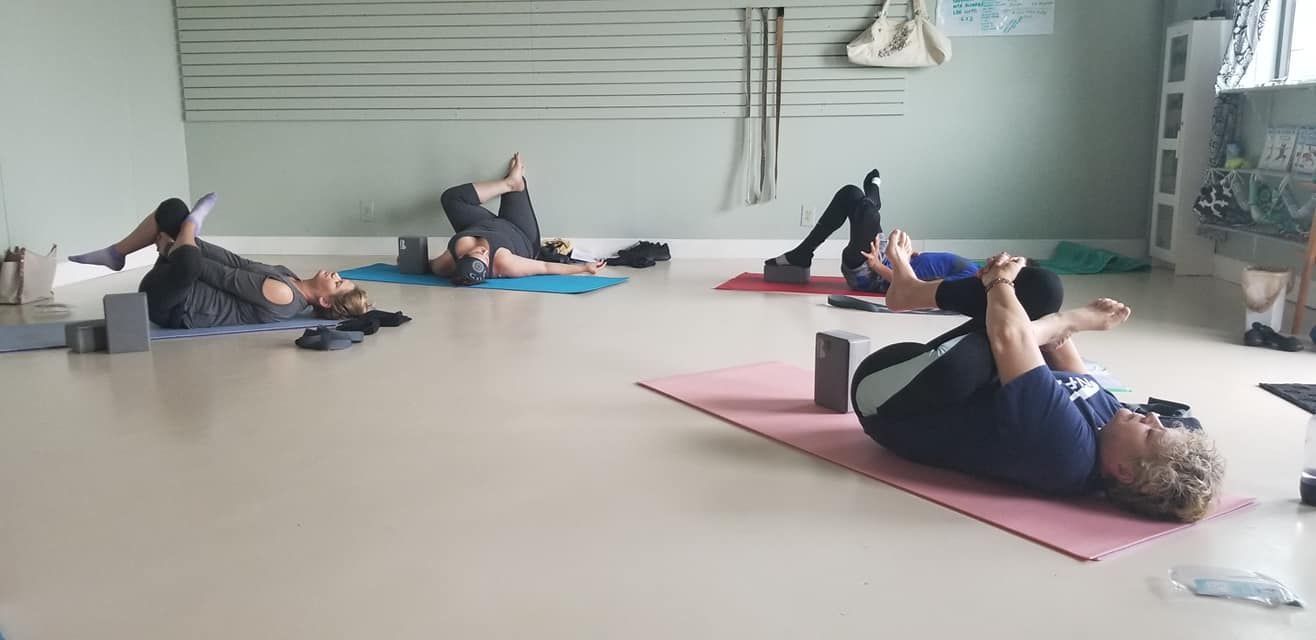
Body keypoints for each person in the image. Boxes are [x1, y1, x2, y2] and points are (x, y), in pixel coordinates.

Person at [852, 230, 1224, 522]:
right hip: (929, 377)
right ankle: (911, 291)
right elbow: (1058, 351)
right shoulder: (1113, 424)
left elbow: (1014, 338)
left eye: (1151, 432)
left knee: (979, 355)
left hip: (885, 398)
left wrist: (1009, 287)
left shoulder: (1069, 456)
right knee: (1042, 289)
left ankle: (913, 290)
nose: (1151, 416)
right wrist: (1032, 308)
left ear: (1124, 472)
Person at [69, 195, 369, 329]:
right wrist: (189, 240)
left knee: (189, 260)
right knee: (174, 210)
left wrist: (178, 246)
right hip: (178, 274)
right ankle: (117, 253)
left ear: (326, 302)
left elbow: (216, 274)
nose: (336, 274)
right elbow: (235, 262)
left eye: (338, 282)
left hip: (171, 306)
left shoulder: (284, 296)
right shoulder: (287, 276)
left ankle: (188, 230)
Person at [764, 169, 979, 293]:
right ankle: (802, 254)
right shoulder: (978, 267)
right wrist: (908, 256)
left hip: (870, 272)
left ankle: (874, 194)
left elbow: (916, 288)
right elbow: (928, 269)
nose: (1005, 256)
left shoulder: (970, 281)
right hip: (887, 257)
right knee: (850, 193)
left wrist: (876, 265)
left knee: (870, 214)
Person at [430, 153, 606, 285]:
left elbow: (428, 266)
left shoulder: (448, 260)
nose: (484, 252)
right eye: (485, 258)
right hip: (520, 232)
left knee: (451, 199)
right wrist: (584, 268)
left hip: (484, 225)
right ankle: (514, 184)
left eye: (476, 253)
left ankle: (507, 183)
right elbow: (545, 267)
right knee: (518, 187)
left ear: (460, 257)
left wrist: (410, 261)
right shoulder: (505, 264)